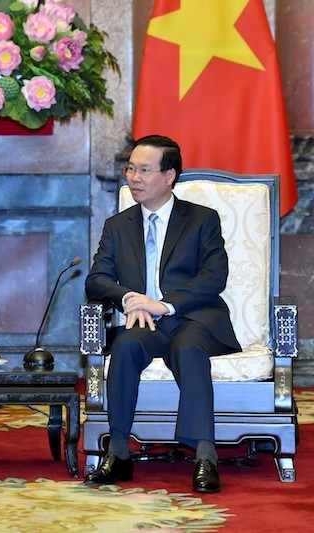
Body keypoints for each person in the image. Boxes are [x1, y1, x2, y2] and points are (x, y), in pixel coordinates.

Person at [84, 135, 240, 493]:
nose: (133, 178)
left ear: (169, 175)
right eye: (130, 169)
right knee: (124, 347)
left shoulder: (202, 220)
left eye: (144, 170)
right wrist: (131, 298)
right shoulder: (117, 225)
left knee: (187, 349)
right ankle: (119, 453)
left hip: (194, 318)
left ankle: (205, 455)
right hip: (146, 323)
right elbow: (97, 280)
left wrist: (165, 304)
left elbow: (213, 277)